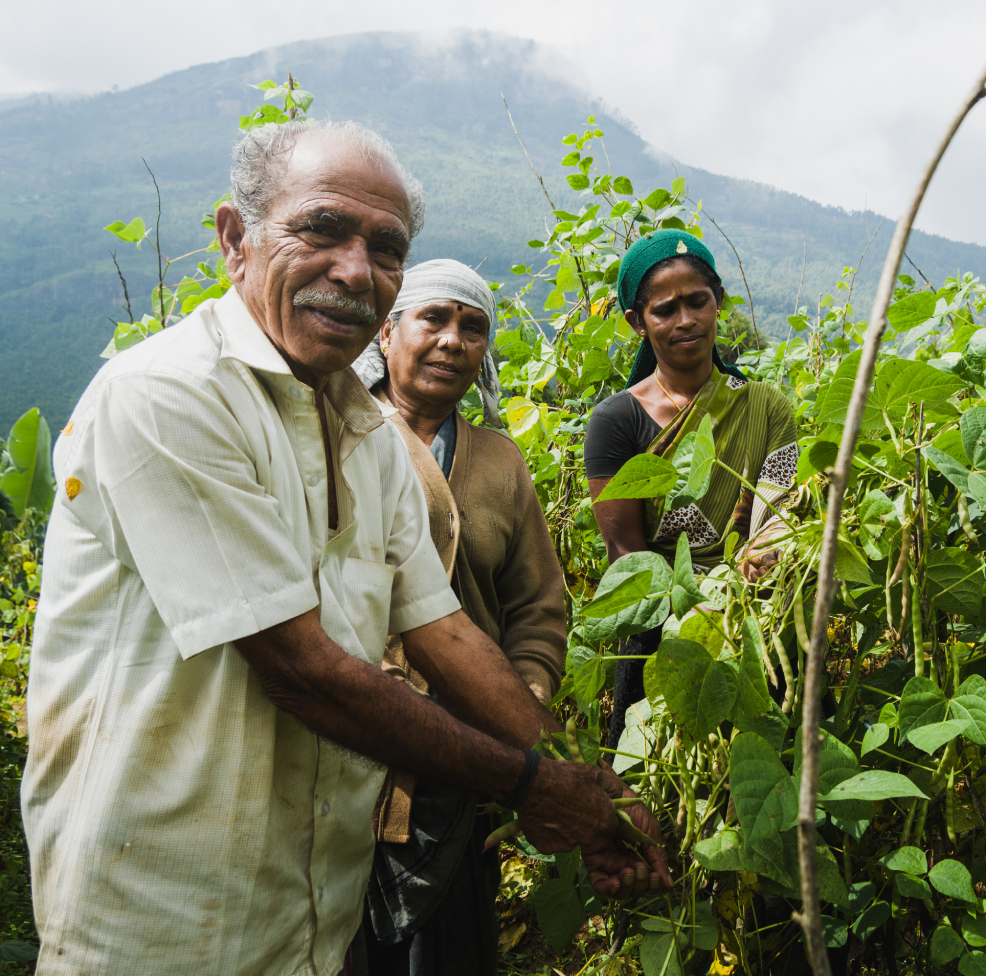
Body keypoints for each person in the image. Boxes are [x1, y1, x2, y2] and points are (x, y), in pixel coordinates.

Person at [21, 118, 669, 976]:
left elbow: (447, 633)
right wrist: (534, 790)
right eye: (321, 228)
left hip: (311, 923)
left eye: (387, 247)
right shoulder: (171, 396)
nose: (357, 270)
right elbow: (299, 666)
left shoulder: (367, 438)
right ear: (234, 240)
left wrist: (584, 797)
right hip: (158, 927)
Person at [348, 259, 566, 976]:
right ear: (386, 333)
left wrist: (523, 700)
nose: (452, 341)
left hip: (466, 750)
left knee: (448, 948)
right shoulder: (339, 436)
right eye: (432, 319)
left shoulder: (500, 463)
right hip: (344, 737)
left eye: (472, 328)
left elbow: (537, 606)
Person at [584, 229, 798, 748]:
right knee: (658, 796)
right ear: (637, 322)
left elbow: (781, 516)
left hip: (759, 622)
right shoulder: (616, 422)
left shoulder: (766, 405)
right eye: (664, 310)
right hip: (664, 637)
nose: (686, 321)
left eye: (698, 301)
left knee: (772, 779)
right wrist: (697, 606)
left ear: (718, 302)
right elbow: (626, 557)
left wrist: (748, 577)